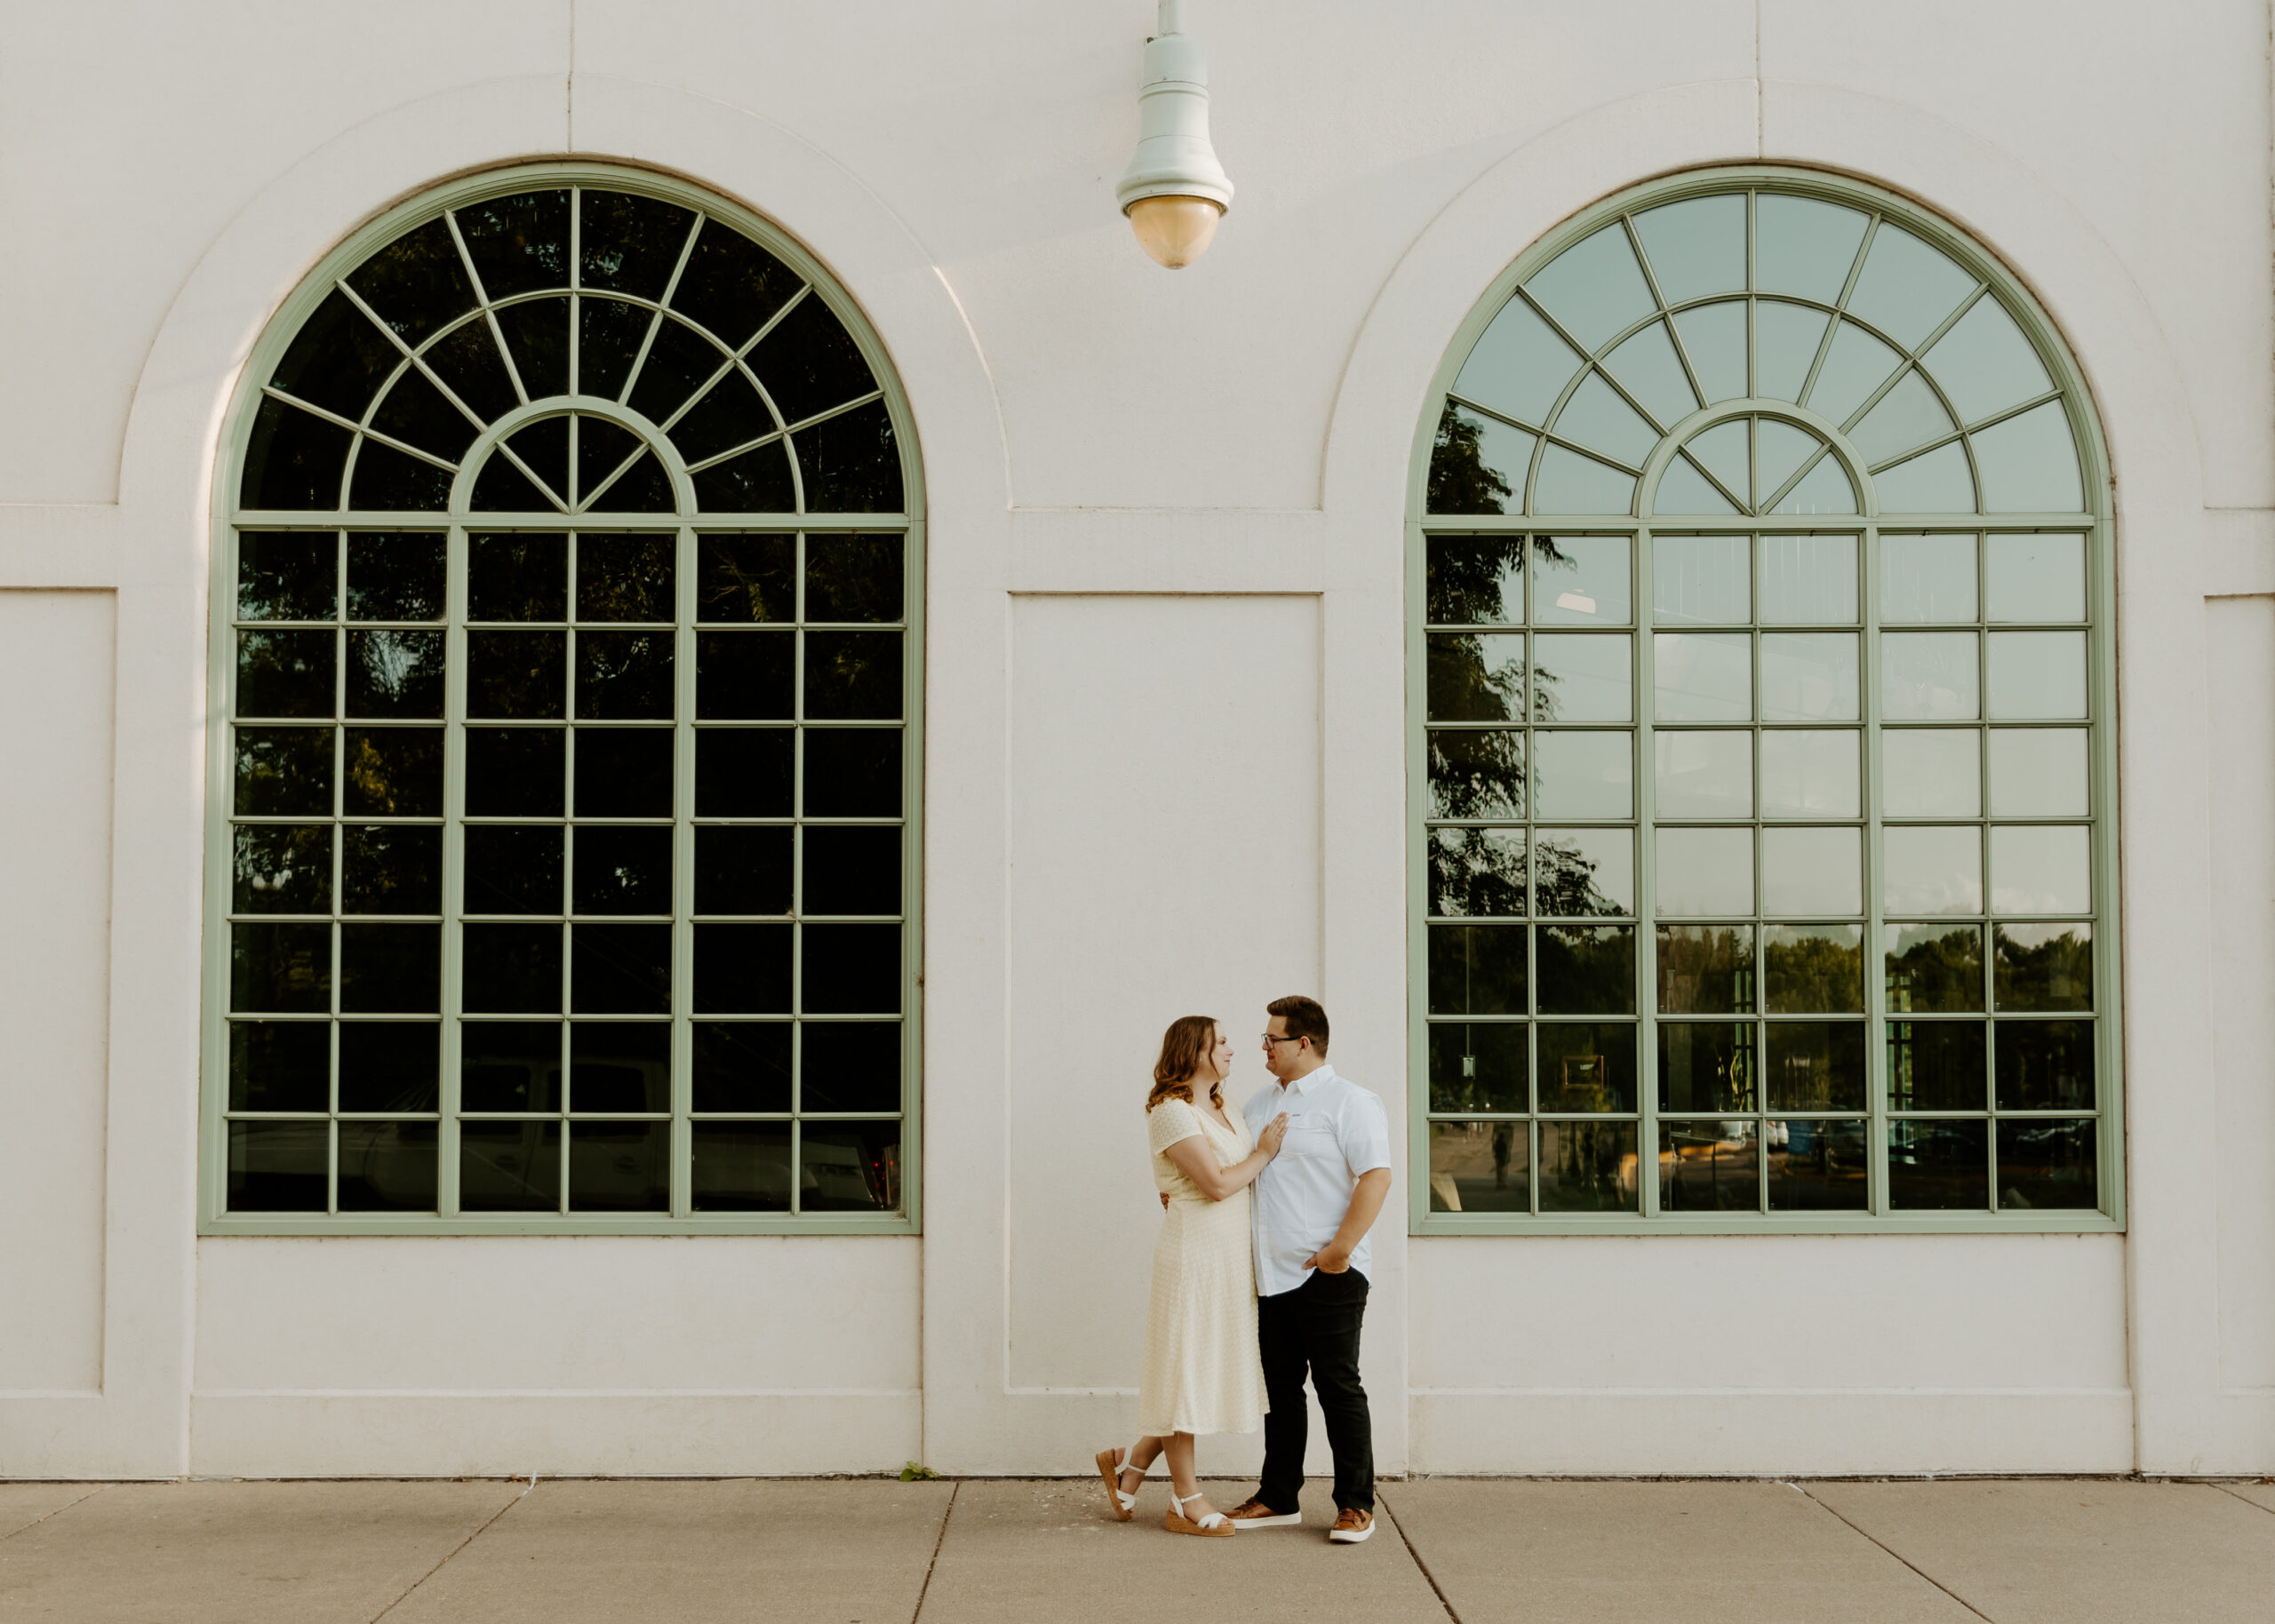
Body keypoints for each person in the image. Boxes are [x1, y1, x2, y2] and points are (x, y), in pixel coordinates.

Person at [1096, 1015, 1289, 1535]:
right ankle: (1187, 1500)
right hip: (1193, 1258)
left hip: (1229, 1260)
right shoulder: (1171, 1112)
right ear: (1196, 1049)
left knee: (1194, 1371)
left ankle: (1127, 1466)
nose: (1232, 1050)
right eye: (1222, 1042)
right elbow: (1217, 1186)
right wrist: (1264, 1154)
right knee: (1185, 1372)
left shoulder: (1221, 1107)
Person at [1224, 995, 1393, 1544]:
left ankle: (1355, 1505)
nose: (1263, 1049)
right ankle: (1279, 1497)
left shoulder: (1351, 1102)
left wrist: (1338, 1253)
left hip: (1329, 1276)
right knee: (1280, 1392)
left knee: (1338, 1387)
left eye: (1271, 1040)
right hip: (1270, 1277)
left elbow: (1375, 1178)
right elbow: (1238, 1172)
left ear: (1304, 1042)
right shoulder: (1256, 1105)